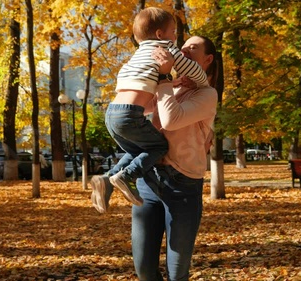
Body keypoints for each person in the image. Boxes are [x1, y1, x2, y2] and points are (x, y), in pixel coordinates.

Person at [92, 35, 218, 280]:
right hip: (148, 182)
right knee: (145, 270)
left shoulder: (207, 94)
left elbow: (171, 121)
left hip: (183, 187)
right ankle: (109, 179)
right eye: (182, 48)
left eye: (193, 48)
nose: (183, 51)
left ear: (208, 59)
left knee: (176, 273)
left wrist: (163, 78)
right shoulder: (172, 85)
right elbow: (144, 109)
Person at [94, 7, 209, 207]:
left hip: (112, 113)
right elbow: (190, 68)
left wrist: (170, 83)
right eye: (173, 32)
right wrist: (203, 82)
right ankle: (127, 176)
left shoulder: (138, 54)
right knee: (159, 146)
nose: (175, 37)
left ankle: (107, 179)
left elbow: (135, 81)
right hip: (130, 115)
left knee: (140, 150)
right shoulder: (165, 48)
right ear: (160, 34)